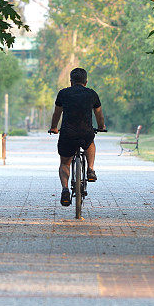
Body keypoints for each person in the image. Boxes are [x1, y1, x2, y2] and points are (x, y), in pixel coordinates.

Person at [49, 67, 105, 206]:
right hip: (86, 132)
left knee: (64, 163)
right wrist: (101, 127)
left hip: (67, 133)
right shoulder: (92, 94)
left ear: (71, 82)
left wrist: (54, 127)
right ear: (85, 82)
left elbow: (57, 114)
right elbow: (99, 114)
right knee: (90, 143)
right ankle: (90, 169)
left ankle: (65, 189)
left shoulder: (63, 93)